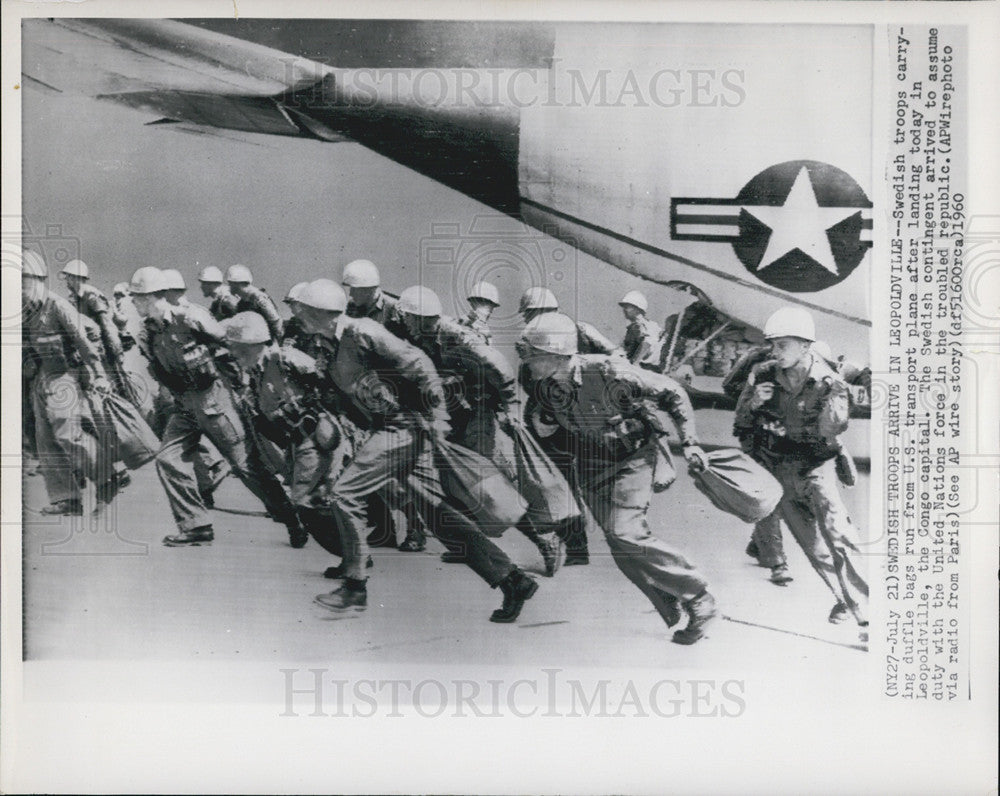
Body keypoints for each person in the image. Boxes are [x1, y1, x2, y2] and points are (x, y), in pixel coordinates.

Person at [295, 280, 540, 622]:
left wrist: (438, 417)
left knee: (345, 495)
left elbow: (420, 364)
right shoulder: (327, 345)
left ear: (321, 311)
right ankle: (513, 580)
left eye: (302, 309)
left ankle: (354, 586)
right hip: (391, 431)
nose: (297, 314)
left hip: (406, 427)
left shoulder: (362, 331)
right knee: (439, 517)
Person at [518, 312, 718, 645]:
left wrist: (691, 442)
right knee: (620, 545)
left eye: (531, 354)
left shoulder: (607, 371)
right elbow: (544, 425)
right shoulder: (543, 385)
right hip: (592, 467)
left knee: (624, 531)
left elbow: (673, 393)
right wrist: (541, 429)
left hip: (632, 459)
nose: (526, 361)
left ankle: (699, 597)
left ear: (555, 354)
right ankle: (670, 603)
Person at [395, 285, 564, 575]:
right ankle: (470, 546)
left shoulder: (455, 336)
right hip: (453, 414)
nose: (405, 322)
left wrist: (511, 406)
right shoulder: (423, 336)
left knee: (488, 486)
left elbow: (499, 367)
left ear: (421, 318)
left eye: (409, 317)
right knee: (452, 484)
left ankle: (545, 540)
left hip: (478, 413)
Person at [129, 266, 301, 547]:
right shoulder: (147, 333)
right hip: (184, 405)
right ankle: (196, 526)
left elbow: (233, 344)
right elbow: (157, 367)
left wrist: (242, 384)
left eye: (136, 297)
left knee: (246, 467)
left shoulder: (191, 318)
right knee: (167, 459)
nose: (133, 303)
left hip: (215, 400)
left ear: (150, 297)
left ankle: (292, 518)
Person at [734, 307, 868, 630]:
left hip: (815, 469)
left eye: (783, 345)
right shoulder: (764, 374)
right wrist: (754, 403)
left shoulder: (826, 382)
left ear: (805, 347)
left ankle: (869, 614)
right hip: (781, 472)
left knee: (840, 538)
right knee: (814, 548)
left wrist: (836, 401)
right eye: (773, 345)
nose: (775, 352)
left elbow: (832, 431)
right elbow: (740, 423)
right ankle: (847, 601)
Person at [21, 249, 112, 516]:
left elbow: (83, 341)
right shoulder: (25, 311)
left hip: (65, 375)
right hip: (41, 377)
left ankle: (107, 480)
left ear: (36, 279)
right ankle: (67, 498)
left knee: (67, 433)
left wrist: (99, 374)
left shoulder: (58, 305)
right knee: (45, 439)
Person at [722, 341, 793, 586]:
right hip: (755, 434)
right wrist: (753, 396)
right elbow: (730, 387)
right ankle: (777, 562)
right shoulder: (759, 362)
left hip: (783, 437)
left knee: (784, 494)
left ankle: (758, 544)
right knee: (767, 495)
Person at [60, 259, 139, 406]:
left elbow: (107, 324)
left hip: (104, 352)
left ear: (75, 277)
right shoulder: (74, 299)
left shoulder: (92, 296)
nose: (66, 281)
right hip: (89, 350)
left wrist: (116, 352)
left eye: (68, 277)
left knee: (115, 391)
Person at [518, 287, 623, 356]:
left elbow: (615, 355)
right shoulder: (529, 342)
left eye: (528, 313)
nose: (526, 319)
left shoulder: (581, 329)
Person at [226, 264, 283, 341]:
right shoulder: (242, 303)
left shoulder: (259, 298)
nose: (229, 286)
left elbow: (275, 321)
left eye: (230, 283)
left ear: (236, 283)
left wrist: (277, 343)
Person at [619, 290, 664, 372]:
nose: (624, 310)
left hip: (648, 369)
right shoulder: (633, 328)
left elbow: (648, 343)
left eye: (628, 307)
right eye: (624, 307)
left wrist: (635, 364)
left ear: (637, 309)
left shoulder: (645, 326)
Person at [281, 281, 317, 355]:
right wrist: (282, 344)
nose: (291, 308)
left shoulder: (323, 329)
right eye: (289, 304)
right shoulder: (290, 326)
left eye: (293, 304)